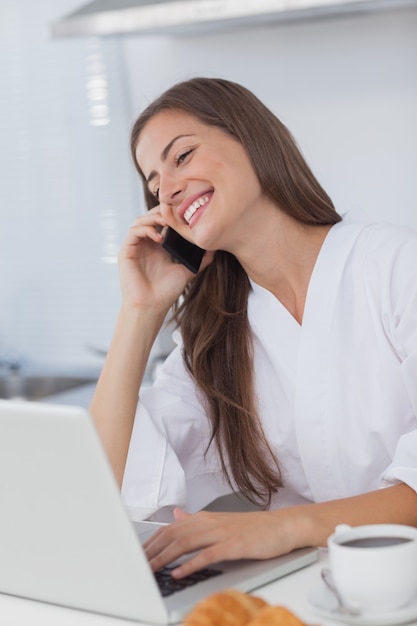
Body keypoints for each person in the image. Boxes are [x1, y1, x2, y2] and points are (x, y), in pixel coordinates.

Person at [90, 76, 417, 581]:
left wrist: (282, 527)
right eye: (154, 186)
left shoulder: (396, 267)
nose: (169, 191)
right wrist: (139, 312)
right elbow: (100, 486)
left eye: (182, 157)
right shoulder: (215, 339)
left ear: (250, 137)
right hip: (310, 596)